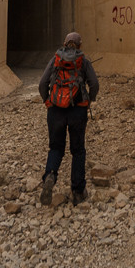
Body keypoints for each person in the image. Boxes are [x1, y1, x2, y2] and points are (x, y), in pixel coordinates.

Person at [39, 32, 100, 207]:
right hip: (78, 110)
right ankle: (78, 191)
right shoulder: (83, 61)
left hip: (56, 110)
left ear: (64, 43)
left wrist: (47, 101)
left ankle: (50, 175)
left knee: (56, 148)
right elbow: (94, 84)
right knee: (78, 150)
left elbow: (43, 83)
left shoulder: (55, 59)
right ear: (79, 46)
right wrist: (89, 99)